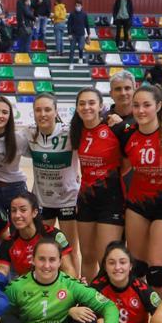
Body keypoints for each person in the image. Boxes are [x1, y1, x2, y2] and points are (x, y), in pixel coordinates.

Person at [117, 84, 162, 297]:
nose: (140, 110)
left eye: (146, 105)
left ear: (158, 106)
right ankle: (138, 320)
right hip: (137, 205)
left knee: (157, 271)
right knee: (137, 268)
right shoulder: (126, 134)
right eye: (136, 105)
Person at [71, 87, 125, 282]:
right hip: (86, 199)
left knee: (107, 258)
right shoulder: (76, 131)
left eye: (91, 103)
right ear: (77, 108)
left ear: (101, 106)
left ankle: (110, 303)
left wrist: (125, 123)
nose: (87, 107)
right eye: (82, 104)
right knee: (87, 256)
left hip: (111, 201)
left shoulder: (114, 129)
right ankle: (91, 301)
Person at [26, 93, 80, 270]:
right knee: (41, 249)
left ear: (56, 111)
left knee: (70, 251)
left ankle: (75, 292)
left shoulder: (69, 133)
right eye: (38, 110)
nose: (43, 114)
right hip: (42, 201)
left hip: (68, 200)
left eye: (48, 109)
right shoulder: (29, 133)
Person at [0, 190, 76, 282]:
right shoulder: (8, 243)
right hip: (28, 292)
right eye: (13, 210)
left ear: (34, 212)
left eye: (23, 210)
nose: (17, 215)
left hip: (56, 289)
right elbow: (2, 269)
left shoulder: (53, 236)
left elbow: (69, 270)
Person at [0, 95, 30, 218]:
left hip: (16, 187)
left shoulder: (20, 139)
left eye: (5, 112)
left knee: (19, 231)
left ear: (9, 117)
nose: (0, 116)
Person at [67, 0, 91, 67]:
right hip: (73, 34)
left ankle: (80, 57)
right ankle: (71, 63)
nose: (77, 7)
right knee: (72, 49)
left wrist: (88, 34)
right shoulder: (72, 14)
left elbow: (87, 24)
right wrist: (69, 33)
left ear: (81, 6)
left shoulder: (84, 14)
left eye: (79, 5)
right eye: (76, 5)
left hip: (81, 34)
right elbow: (69, 24)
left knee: (81, 48)